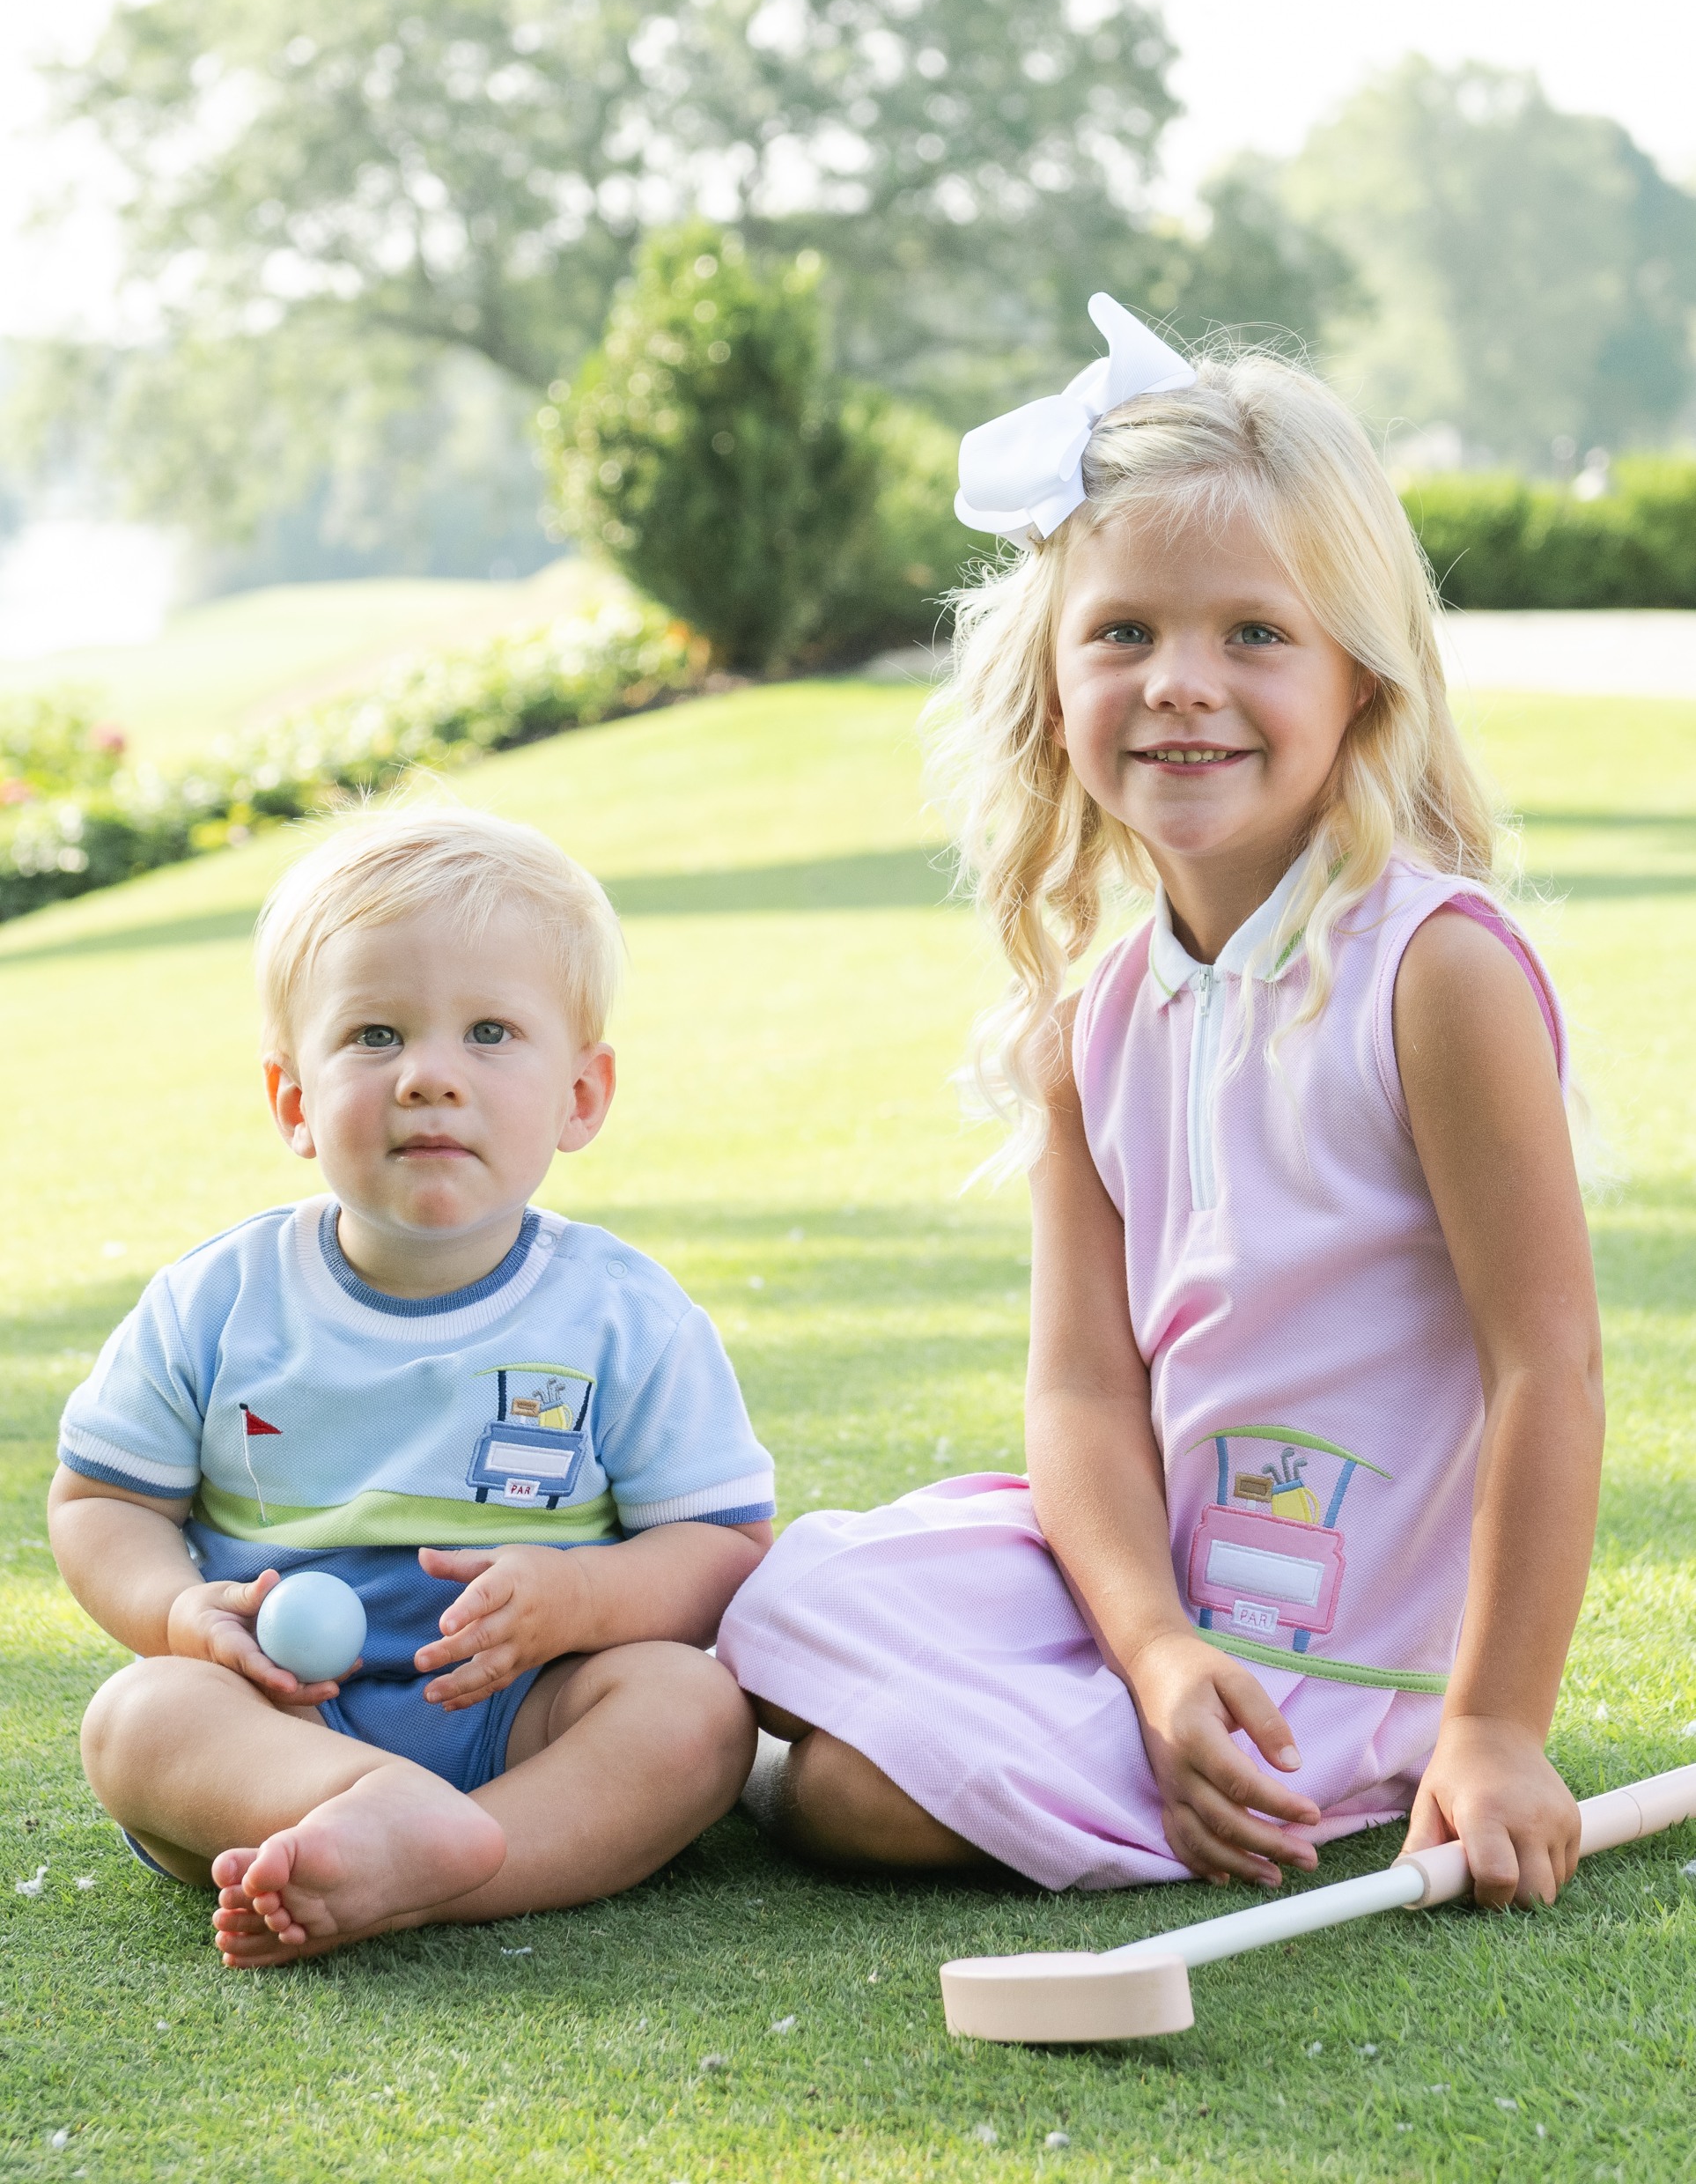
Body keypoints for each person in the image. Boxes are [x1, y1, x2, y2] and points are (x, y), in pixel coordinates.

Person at [720, 295, 1603, 1908]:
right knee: (777, 1617)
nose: (1180, 683)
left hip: (1342, 1646)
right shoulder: (1096, 1019)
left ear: (1359, 677)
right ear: (1053, 681)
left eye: (1253, 634)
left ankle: (1102, 1735)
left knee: (848, 1798)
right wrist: (1147, 1645)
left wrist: (1493, 1723)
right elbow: (1079, 1400)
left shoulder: (1436, 975)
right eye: (1123, 631)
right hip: (1163, 1592)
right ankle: (1055, 1703)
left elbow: (1544, 1360)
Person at [50, 806, 774, 1965]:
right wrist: (179, 1614)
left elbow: (725, 1547)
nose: (428, 1077)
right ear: (293, 1100)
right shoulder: (219, 1299)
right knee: (138, 1717)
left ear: (582, 1094)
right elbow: (101, 1505)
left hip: (525, 1718)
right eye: (376, 1034)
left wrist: (582, 1605)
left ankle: (433, 1861)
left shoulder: (621, 1313)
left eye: (490, 1032)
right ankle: (375, 1819)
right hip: (281, 1726)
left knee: (693, 1712)